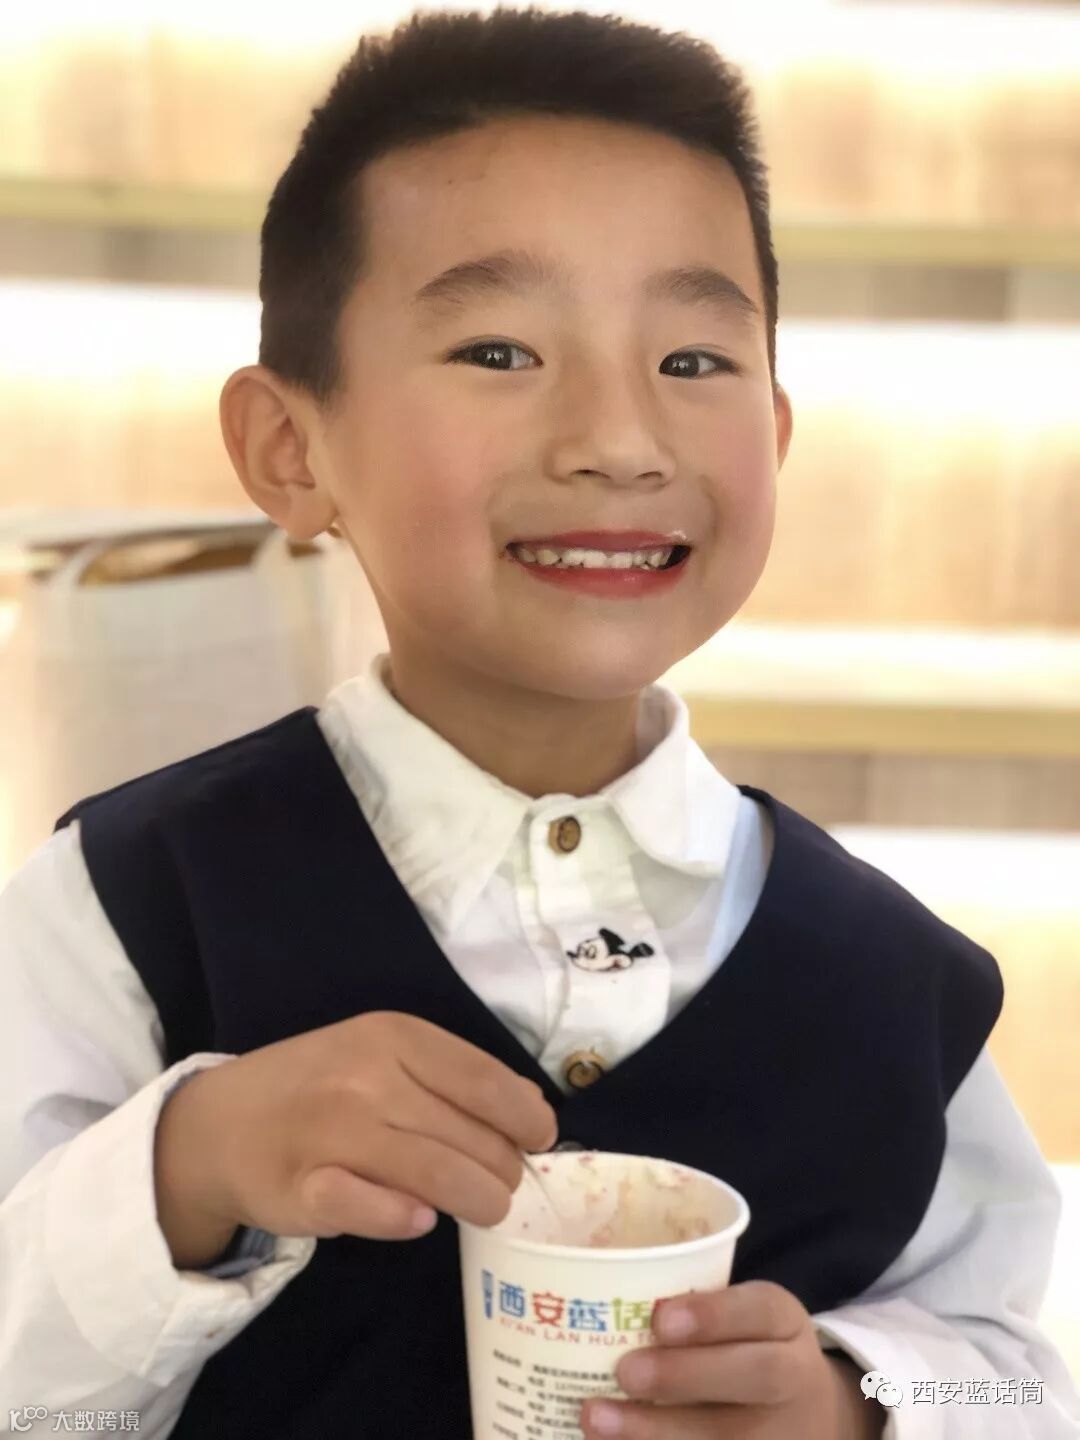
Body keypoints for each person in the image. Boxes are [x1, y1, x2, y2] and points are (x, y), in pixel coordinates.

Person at [1, 7, 1078, 1439]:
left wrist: (854, 1401)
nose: (619, 441)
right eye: (501, 350)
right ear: (290, 446)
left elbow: (1014, 1373)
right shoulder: (123, 902)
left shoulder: (895, 977)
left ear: (776, 433)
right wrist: (184, 1167)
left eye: (692, 362)